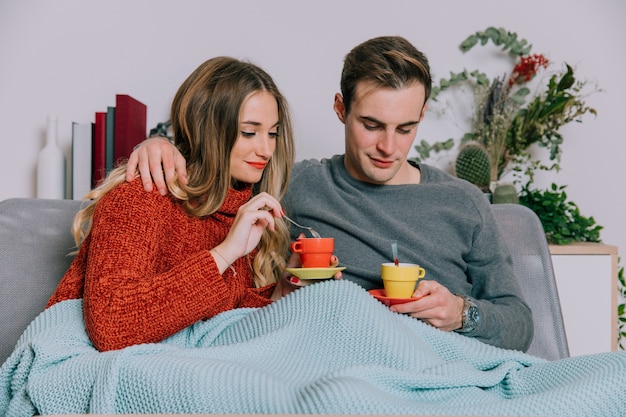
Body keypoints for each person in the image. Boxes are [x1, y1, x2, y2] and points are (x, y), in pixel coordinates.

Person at [126, 36, 533, 352]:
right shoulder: (291, 183)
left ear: (422, 115)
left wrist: (462, 313)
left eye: (405, 128)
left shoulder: (464, 203)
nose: (388, 147)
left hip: (440, 359)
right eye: (371, 125)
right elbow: (216, 164)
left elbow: (520, 324)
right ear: (341, 109)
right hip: (333, 357)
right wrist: (162, 147)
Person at [46, 56, 314, 352]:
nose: (266, 149)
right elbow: (112, 327)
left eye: (273, 133)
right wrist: (224, 254)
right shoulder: (142, 195)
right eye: (248, 132)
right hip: (87, 364)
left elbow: (218, 328)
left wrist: (282, 291)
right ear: (207, 129)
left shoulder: (240, 213)